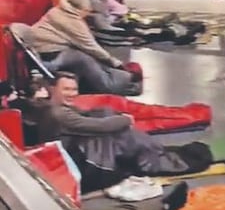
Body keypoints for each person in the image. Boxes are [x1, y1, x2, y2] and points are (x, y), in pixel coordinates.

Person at [39, 72, 207, 191]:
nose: (72, 94)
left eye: (74, 90)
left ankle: (153, 152)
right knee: (119, 132)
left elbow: (90, 119)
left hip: (75, 153)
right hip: (81, 164)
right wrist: (125, 119)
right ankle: (154, 157)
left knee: (108, 117)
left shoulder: (55, 108)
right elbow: (97, 126)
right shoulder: (58, 113)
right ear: (52, 89)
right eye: (66, 89)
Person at [29, 0, 140, 96]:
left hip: (42, 51)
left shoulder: (57, 10)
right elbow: (91, 47)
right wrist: (116, 63)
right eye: (86, 11)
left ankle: (120, 77)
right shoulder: (72, 21)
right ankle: (110, 86)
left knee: (87, 58)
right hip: (50, 54)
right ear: (79, 9)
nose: (87, 14)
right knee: (84, 59)